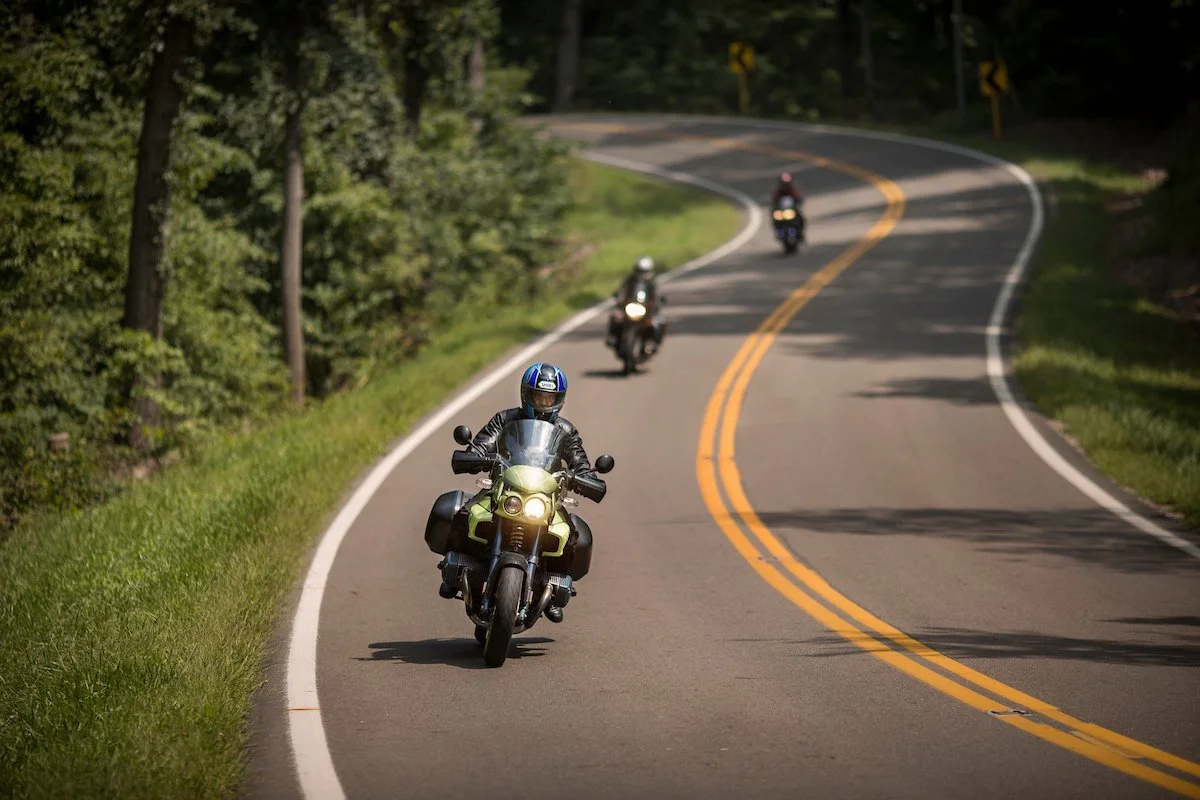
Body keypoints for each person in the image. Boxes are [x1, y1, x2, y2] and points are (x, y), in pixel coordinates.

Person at [449, 362, 600, 622]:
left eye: (549, 398)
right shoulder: (504, 419)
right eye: (538, 396)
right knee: (463, 514)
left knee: (574, 537)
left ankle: (552, 588)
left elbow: (580, 462)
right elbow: (484, 444)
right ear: (526, 394)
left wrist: (583, 476)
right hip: (504, 491)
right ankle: (454, 571)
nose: (543, 403)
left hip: (544, 498)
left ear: (559, 400)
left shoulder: (566, 431)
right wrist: (477, 456)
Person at [606, 255, 666, 355]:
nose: (641, 274)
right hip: (629, 306)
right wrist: (618, 297)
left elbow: (657, 295)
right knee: (615, 317)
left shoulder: (652, 283)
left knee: (659, 323)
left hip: (647, 311)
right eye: (640, 271)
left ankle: (652, 343)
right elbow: (621, 291)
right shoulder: (629, 280)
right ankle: (612, 338)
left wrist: (657, 303)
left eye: (644, 271)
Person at [771, 171, 806, 242]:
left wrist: (798, 200)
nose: (785, 185)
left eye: (786, 183)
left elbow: (797, 197)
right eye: (783, 183)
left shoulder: (791, 190)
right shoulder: (778, 192)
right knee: (774, 217)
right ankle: (778, 232)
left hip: (791, 210)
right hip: (781, 211)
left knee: (800, 217)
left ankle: (800, 233)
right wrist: (774, 206)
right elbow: (774, 200)